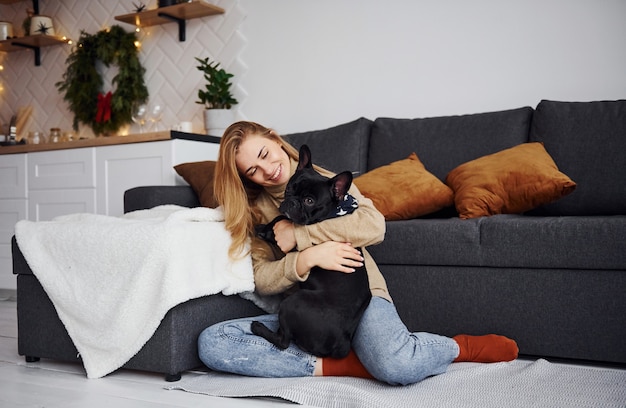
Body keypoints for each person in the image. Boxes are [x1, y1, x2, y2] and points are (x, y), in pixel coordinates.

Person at [197, 121, 518, 385]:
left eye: (266, 154)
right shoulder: (255, 211)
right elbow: (262, 280)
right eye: (253, 170)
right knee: (212, 343)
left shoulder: (326, 181)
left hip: (359, 298)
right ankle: (345, 365)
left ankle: (456, 347)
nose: (267, 169)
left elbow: (373, 226)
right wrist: (305, 260)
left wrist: (301, 235)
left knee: (397, 367)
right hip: (306, 315)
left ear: (275, 139)